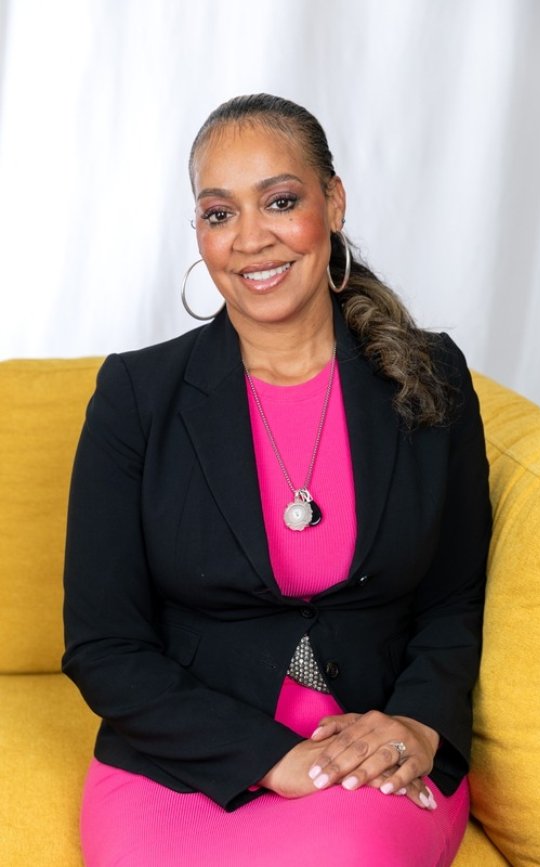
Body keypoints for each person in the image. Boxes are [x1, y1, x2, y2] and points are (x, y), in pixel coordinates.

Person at [62, 93, 492, 867]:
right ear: (199, 232)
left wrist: (418, 724)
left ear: (333, 202)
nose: (251, 238)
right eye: (219, 213)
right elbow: (104, 643)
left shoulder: (431, 375)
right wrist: (270, 757)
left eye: (281, 201)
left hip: (372, 756)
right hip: (184, 762)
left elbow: (454, 597)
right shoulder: (136, 396)